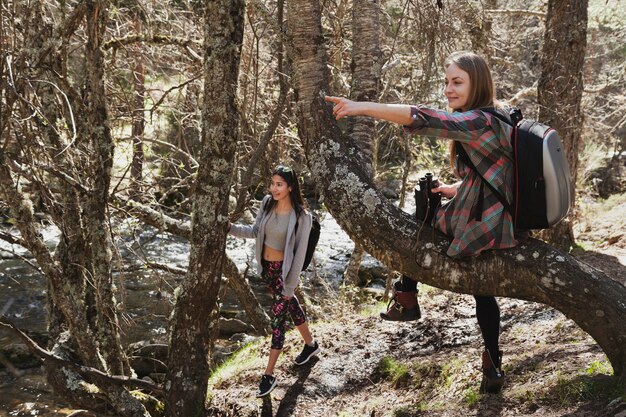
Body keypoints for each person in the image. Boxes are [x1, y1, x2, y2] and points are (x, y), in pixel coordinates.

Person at [325, 51, 518, 394]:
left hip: (486, 222)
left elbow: (422, 117)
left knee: (422, 212)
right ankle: (492, 361)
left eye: (457, 82)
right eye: (447, 82)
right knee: (481, 288)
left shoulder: (478, 121)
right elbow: (493, 176)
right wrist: (450, 189)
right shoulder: (497, 115)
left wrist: (359, 106)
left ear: (478, 83)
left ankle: (407, 296)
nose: (448, 89)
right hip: (494, 212)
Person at [228, 165, 321, 398]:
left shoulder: (301, 216)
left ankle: (268, 374)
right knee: (290, 306)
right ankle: (310, 345)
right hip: (267, 270)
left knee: (278, 320)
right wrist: (229, 228)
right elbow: (255, 231)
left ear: (290, 187)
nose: (274, 188)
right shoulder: (267, 203)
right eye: (272, 183)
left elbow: (299, 255)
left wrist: (289, 285)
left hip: (284, 273)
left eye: (279, 184)